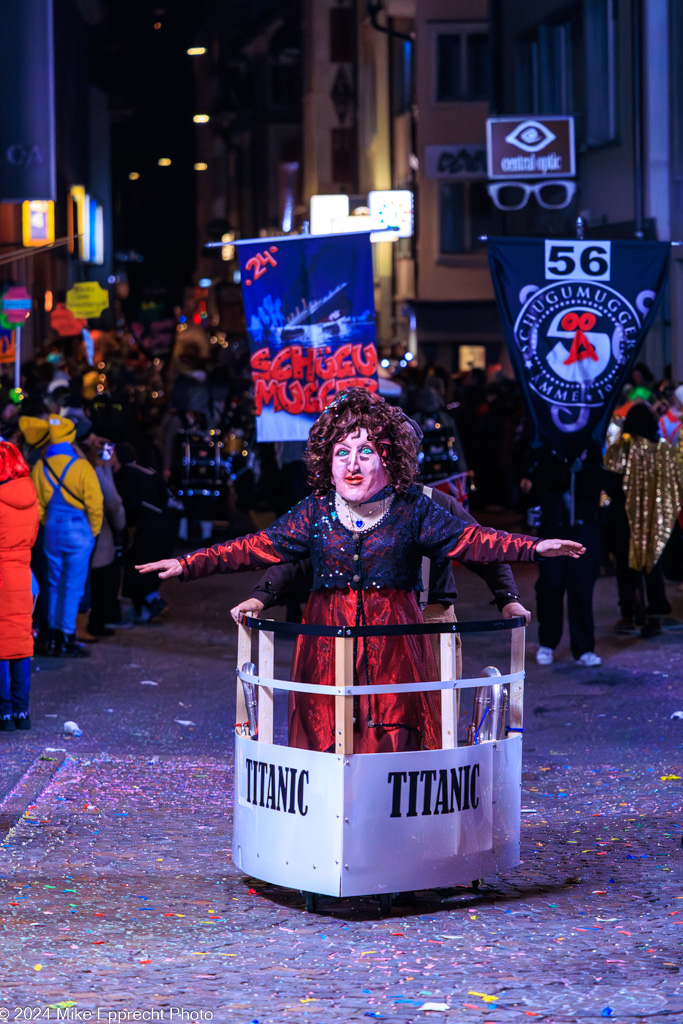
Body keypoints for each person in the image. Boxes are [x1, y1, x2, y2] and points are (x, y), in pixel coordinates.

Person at [137, 388, 583, 754]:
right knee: (323, 727)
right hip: (325, 644)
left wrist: (534, 548)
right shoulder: (313, 512)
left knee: (391, 730)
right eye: (342, 452)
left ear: (390, 458)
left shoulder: (416, 510)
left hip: (396, 645)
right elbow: (257, 548)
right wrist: (188, 563)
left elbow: (478, 541)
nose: (352, 464)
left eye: (366, 451)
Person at [605, 402, 683, 637]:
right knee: (652, 566)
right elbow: (673, 485)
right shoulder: (661, 449)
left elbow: (609, 482)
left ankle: (630, 614)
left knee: (626, 567)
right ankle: (654, 616)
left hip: (622, 516)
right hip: (653, 518)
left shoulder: (620, 447)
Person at [523, 446, 606, 666]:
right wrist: (557, 459)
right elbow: (535, 481)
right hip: (553, 529)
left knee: (581, 588)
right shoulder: (547, 447)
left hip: (583, 529)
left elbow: (602, 483)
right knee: (551, 585)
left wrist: (582, 468)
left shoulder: (593, 447)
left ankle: (584, 648)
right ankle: (547, 643)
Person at [31, 416, 103, 657]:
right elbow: (95, 504)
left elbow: (37, 506)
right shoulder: (82, 466)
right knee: (73, 585)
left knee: (52, 583)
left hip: (52, 529)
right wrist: (93, 531)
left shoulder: (40, 467)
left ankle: (50, 637)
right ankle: (67, 637)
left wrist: (48, 523)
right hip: (79, 530)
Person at [0, 441, 39, 731]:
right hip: (22, 573)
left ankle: (2, 713)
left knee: (1, 646)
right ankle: (21, 712)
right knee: (21, 642)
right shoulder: (29, 494)